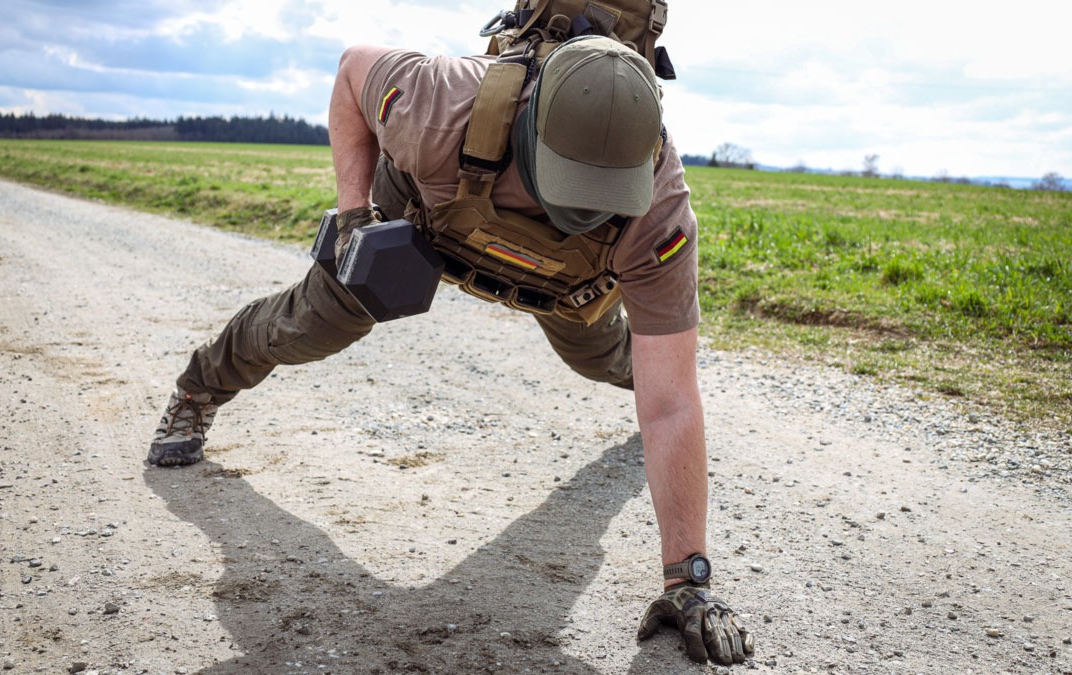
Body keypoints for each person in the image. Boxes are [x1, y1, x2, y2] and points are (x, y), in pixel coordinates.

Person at [147, 34, 754, 666]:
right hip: (426, 223)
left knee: (612, 362)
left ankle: (638, 398)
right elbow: (354, 67)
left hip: (568, 284)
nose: (586, 206)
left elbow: (675, 404)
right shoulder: (441, 105)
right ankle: (198, 388)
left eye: (607, 194)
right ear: (530, 126)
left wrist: (690, 581)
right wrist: (355, 219)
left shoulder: (658, 213)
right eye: (573, 185)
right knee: (309, 326)